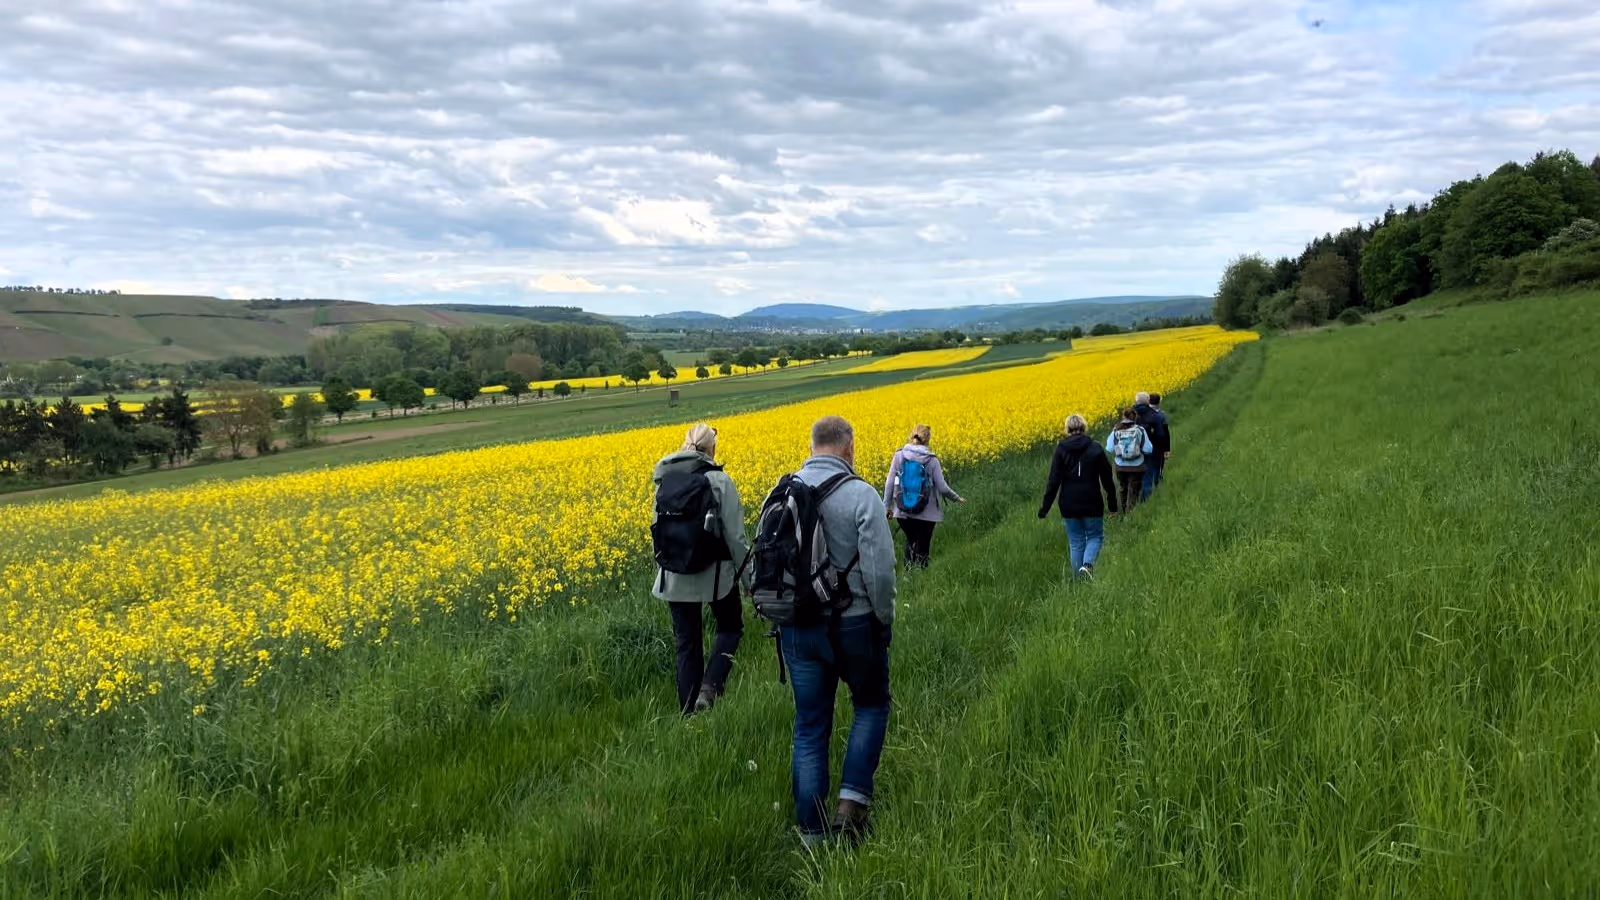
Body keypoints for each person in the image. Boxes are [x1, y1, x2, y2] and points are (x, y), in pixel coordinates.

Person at [782, 415, 897, 847]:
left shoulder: (784, 492)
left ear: (812, 446)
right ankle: (850, 809)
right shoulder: (861, 495)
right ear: (848, 447)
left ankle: (812, 835)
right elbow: (880, 572)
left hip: (798, 628)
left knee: (810, 725)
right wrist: (883, 618)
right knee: (870, 705)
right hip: (855, 623)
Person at [650, 423, 750, 716]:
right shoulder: (719, 481)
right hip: (716, 575)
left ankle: (688, 714)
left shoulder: (664, 480)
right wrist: (750, 579)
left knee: (687, 643)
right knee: (731, 627)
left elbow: (657, 529)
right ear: (712, 449)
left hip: (674, 575)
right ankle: (710, 687)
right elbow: (736, 538)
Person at [1038, 414, 1119, 579]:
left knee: (1076, 542)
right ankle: (1087, 566)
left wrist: (1044, 509)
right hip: (1092, 502)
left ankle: (1079, 582)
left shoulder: (1061, 449)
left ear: (1067, 429)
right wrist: (1113, 505)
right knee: (1095, 536)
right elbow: (1107, 479)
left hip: (1068, 504)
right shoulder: (1095, 448)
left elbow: (1053, 481)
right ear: (1084, 428)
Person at [883, 424, 965, 568]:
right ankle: (922, 575)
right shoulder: (931, 460)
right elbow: (942, 487)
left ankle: (909, 574)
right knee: (923, 548)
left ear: (912, 436)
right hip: (926, 513)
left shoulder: (899, 455)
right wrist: (956, 498)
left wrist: (886, 507)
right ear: (927, 439)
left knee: (911, 541)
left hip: (903, 511)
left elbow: (889, 483)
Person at [1106, 407, 1153, 514]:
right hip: (1137, 466)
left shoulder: (1116, 430)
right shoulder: (1140, 430)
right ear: (1135, 418)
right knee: (1134, 491)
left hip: (1120, 466)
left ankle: (1124, 513)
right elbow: (1148, 449)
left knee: (1123, 488)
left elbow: (1109, 448)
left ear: (1123, 417)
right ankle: (1130, 515)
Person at [1133, 391, 1171, 500]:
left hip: (1132, 451)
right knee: (1147, 476)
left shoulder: (1129, 414)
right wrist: (1164, 449)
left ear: (1136, 401)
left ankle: (1132, 503)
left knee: (1134, 477)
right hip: (1151, 450)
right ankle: (1145, 501)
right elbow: (1161, 435)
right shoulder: (1155, 415)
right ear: (1147, 401)